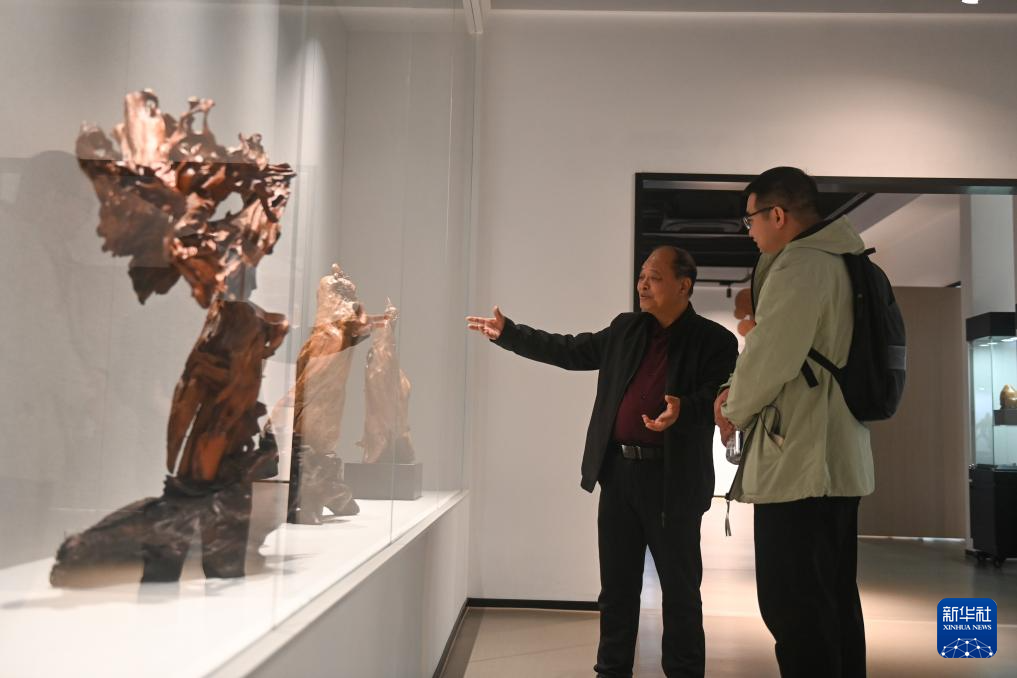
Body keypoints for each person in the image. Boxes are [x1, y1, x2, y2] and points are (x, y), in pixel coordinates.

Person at [467, 246, 738, 678]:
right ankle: (611, 671)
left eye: (654, 277)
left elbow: (722, 397)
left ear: (683, 285)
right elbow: (571, 350)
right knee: (616, 591)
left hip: (674, 481)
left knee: (681, 593)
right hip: (620, 476)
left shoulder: (715, 341)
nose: (642, 284)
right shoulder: (626, 329)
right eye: (641, 275)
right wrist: (510, 334)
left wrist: (684, 408)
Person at [714, 167, 874, 678]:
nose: (750, 232)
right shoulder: (843, 260)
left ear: (777, 215)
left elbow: (769, 357)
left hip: (801, 465)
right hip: (835, 460)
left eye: (751, 220)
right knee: (834, 602)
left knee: (795, 608)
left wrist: (731, 409)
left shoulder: (801, 265)